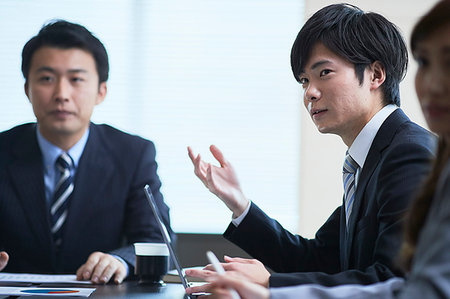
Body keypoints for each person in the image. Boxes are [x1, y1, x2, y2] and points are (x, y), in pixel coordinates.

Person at [194, 0, 450, 297]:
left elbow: (391, 279)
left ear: (375, 75)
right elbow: (319, 258)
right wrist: (240, 205)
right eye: (304, 80)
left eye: (324, 73)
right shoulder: (368, 158)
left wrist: (270, 286)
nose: (310, 93)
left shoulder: (407, 153)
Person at [0, 20, 175, 284]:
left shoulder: (133, 154)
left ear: (101, 91)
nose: (62, 94)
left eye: (76, 79)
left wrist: (120, 260)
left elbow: (158, 242)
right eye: (46, 79)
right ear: (27, 89)